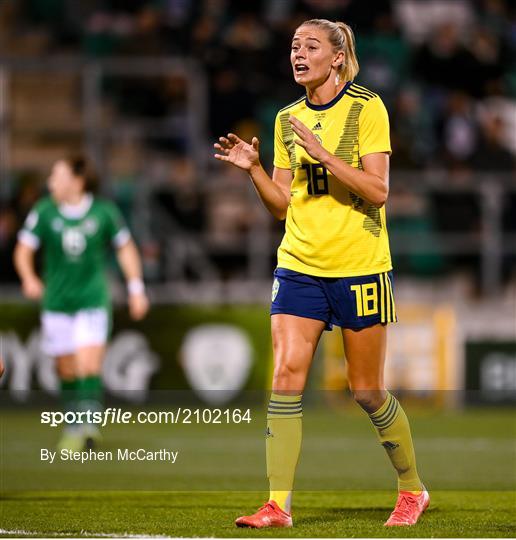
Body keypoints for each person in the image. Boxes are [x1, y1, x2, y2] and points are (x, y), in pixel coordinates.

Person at [214, 18, 428, 528]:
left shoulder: (366, 107)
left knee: (366, 392)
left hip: (360, 267)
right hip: (299, 265)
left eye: (310, 45)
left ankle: (412, 489)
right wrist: (255, 172)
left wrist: (325, 155)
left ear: (337, 57)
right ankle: (277, 504)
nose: (298, 53)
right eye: (293, 46)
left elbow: (378, 191)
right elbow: (283, 208)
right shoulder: (286, 117)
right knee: (286, 377)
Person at [14, 155, 149, 451]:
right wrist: (29, 277)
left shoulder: (104, 212)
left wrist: (136, 288)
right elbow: (23, 250)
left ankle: (88, 427)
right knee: (67, 368)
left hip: (92, 298)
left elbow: (125, 249)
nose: (51, 181)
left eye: (56, 174)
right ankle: (72, 424)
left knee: (89, 363)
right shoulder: (44, 211)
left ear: (77, 180)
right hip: (57, 301)